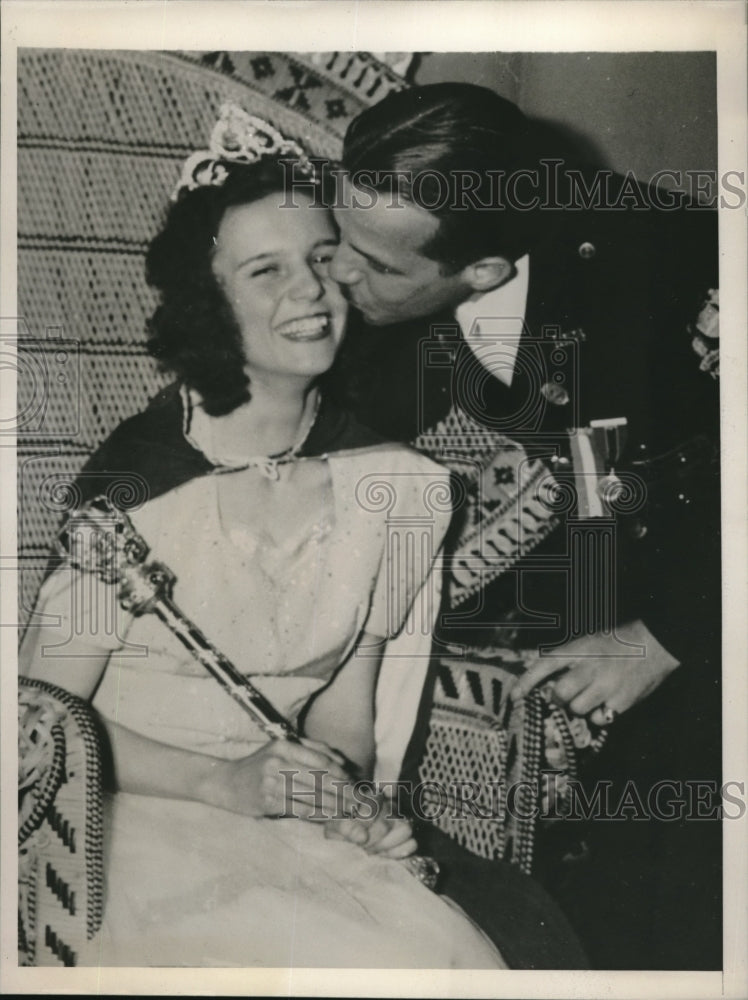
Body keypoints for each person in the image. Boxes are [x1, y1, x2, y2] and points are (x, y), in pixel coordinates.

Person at [19, 105, 586, 969]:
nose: (312, 293)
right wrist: (225, 783)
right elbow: (34, 726)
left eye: (325, 260)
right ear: (208, 303)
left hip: (289, 827)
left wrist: (340, 799)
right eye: (265, 271)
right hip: (116, 823)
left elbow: (344, 716)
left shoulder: (398, 489)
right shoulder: (133, 485)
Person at [326, 83, 721, 968]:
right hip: (555, 596)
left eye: (379, 267)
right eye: (340, 234)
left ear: (487, 273)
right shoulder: (366, 274)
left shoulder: (687, 267)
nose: (339, 273)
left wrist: (669, 635)